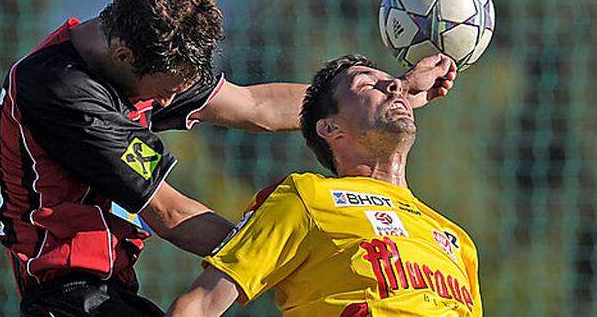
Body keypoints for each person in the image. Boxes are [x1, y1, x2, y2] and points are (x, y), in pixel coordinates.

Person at [0, 0, 455, 316]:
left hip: (112, 292)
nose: (173, 99)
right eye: (169, 89)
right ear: (125, 58)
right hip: (68, 296)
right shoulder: (62, 92)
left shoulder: (149, 47)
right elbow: (172, 215)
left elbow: (254, 106)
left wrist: (390, 97)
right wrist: (297, 242)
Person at [168, 54, 480, 317]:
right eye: (367, 83)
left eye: (394, 84)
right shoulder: (308, 197)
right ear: (330, 128)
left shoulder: (458, 240)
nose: (395, 86)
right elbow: (200, 305)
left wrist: (400, 88)